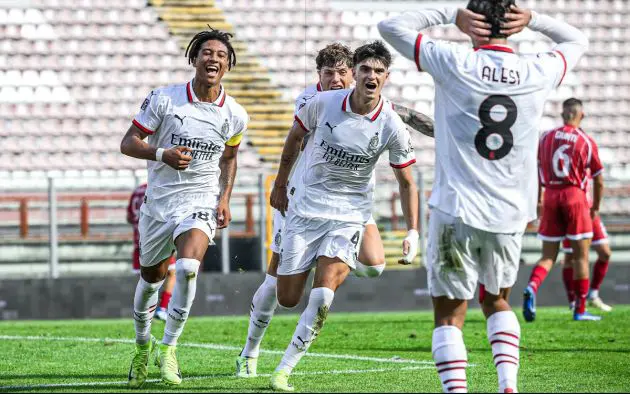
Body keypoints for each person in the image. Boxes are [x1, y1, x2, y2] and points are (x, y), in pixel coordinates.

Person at [379, 1, 588, 392]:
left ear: (473, 24)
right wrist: (535, 20)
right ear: (514, 26)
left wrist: (450, 15)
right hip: (509, 213)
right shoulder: (537, 69)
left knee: (449, 315)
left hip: (455, 208)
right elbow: (577, 38)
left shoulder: (452, 61)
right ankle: (507, 386)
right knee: (495, 300)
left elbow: (390, 25)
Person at [235, 42, 434, 379]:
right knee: (282, 290)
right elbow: (297, 138)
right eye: (331, 73)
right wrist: (280, 185)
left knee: (373, 265)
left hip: (350, 206)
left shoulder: (382, 114)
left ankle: (327, 264)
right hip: (300, 198)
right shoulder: (312, 101)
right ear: (320, 77)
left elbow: (407, 162)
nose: (337, 79)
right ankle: (249, 352)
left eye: (343, 72)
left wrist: (391, 108)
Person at [120, 27, 248, 388]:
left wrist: (224, 198)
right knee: (151, 279)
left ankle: (170, 348)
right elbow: (128, 142)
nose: (214, 59)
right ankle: (143, 346)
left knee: (189, 267)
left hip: (200, 200)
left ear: (228, 65)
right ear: (194, 59)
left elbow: (230, 157)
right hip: (159, 204)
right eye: (207, 52)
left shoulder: (235, 114)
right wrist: (162, 153)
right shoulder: (164, 99)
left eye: (221, 55)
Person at [524, 98, 605, 321]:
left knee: (548, 255)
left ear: (562, 115)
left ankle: (532, 286)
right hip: (575, 197)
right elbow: (598, 179)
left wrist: (539, 199)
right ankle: (580, 310)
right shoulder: (585, 141)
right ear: (581, 115)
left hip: (550, 195)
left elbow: (537, 171)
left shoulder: (546, 138)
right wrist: (595, 207)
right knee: (581, 256)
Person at [560, 176, 612, 312]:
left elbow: (598, 180)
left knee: (605, 253)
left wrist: (595, 206)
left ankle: (593, 295)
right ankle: (573, 301)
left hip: (590, 213)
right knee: (571, 258)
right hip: (573, 213)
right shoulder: (568, 159)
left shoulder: (588, 158)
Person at [126, 182, 176, 321]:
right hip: (157, 236)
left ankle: (144, 313)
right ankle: (162, 308)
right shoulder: (158, 186)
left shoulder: (136, 191)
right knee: (171, 272)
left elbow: (129, 216)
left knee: (143, 280)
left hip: (139, 240)